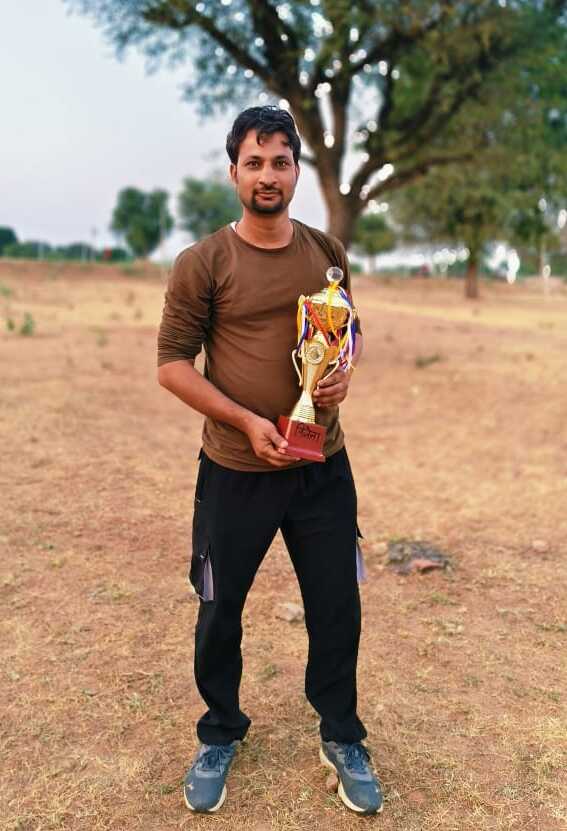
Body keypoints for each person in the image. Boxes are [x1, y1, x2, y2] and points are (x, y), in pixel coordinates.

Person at [157, 105, 383, 816]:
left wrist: (343, 372)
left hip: (322, 469)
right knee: (219, 607)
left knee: (336, 606)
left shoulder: (324, 250)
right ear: (233, 173)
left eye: (279, 161)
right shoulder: (203, 263)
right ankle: (220, 729)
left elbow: (345, 336)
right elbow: (171, 366)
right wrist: (247, 419)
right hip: (235, 468)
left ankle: (341, 732)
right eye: (252, 162)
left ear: (294, 172)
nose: (267, 174)